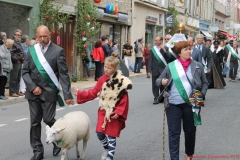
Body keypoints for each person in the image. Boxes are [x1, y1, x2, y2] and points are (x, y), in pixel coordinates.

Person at [22, 25, 74, 160]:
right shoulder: (31, 51)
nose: (43, 39)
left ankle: (57, 140)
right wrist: (32, 87)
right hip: (33, 93)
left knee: (48, 119)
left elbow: (63, 74)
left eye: (45, 36)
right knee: (34, 122)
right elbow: (25, 71)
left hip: (49, 92)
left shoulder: (58, 51)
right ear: (36, 36)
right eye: (40, 37)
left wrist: (67, 95)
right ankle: (37, 151)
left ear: (49, 36)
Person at [72, 52, 130, 160]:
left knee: (112, 135)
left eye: (109, 67)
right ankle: (107, 149)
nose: (106, 69)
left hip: (114, 112)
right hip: (103, 111)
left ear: (115, 68)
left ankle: (110, 157)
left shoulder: (120, 80)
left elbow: (124, 98)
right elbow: (93, 92)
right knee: (100, 133)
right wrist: (80, 93)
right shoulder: (102, 79)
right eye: (105, 66)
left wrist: (118, 112)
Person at [156, 41, 208, 160]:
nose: (189, 51)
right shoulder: (171, 66)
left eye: (189, 49)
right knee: (174, 134)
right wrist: (162, 81)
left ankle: (189, 154)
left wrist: (200, 95)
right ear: (179, 53)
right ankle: (174, 158)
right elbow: (158, 80)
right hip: (173, 104)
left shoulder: (198, 65)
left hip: (191, 104)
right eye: (185, 49)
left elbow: (205, 83)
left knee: (190, 132)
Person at [148, 36, 172, 104]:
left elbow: (169, 58)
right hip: (155, 69)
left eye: (157, 40)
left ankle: (161, 97)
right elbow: (150, 60)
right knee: (155, 84)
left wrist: (164, 50)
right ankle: (156, 98)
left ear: (161, 41)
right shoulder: (153, 49)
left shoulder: (166, 48)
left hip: (163, 69)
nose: (155, 42)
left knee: (162, 84)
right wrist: (149, 70)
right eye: (155, 40)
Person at [9, 29, 25, 97]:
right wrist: (17, 59)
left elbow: (20, 52)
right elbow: (11, 53)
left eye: (20, 35)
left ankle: (16, 90)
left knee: (18, 77)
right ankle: (12, 92)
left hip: (20, 62)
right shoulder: (13, 43)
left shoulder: (18, 43)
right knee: (14, 77)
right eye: (17, 35)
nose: (19, 36)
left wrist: (21, 59)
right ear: (14, 35)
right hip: (15, 62)